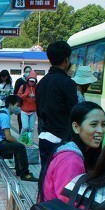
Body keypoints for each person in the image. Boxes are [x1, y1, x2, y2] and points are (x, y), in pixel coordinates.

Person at [38, 101, 105, 202]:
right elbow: (69, 203)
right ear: (76, 127)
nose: (100, 130)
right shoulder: (70, 160)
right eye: (93, 124)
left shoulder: (85, 153)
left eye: (103, 124)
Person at [36, 40, 78, 169]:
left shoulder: (41, 83)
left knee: (45, 176)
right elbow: (74, 112)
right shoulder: (67, 83)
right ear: (67, 60)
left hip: (43, 137)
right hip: (61, 139)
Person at [0, 95, 38, 181]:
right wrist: (21, 142)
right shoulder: (5, 116)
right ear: (10, 105)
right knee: (20, 147)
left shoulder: (2, 111)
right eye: (17, 106)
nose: (19, 108)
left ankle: (19, 170)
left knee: (17, 146)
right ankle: (25, 174)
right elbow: (8, 137)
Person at [17, 70, 38, 138]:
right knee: (25, 127)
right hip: (24, 110)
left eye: (33, 81)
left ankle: (29, 143)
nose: (31, 82)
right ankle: (21, 139)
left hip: (33, 111)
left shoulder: (37, 88)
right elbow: (18, 96)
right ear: (28, 80)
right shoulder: (23, 87)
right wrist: (27, 95)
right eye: (30, 80)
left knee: (31, 128)